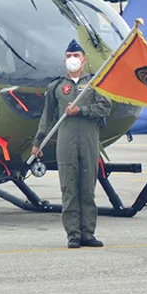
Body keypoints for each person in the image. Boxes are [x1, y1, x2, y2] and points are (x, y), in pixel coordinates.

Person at [31, 39, 112, 249]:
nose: (72, 60)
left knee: (88, 187)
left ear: (84, 59)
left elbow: (105, 107)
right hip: (66, 142)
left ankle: (88, 233)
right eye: (68, 56)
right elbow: (47, 117)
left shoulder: (94, 84)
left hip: (89, 140)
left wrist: (82, 111)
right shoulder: (57, 86)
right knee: (69, 188)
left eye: (76, 56)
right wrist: (38, 141)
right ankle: (73, 234)